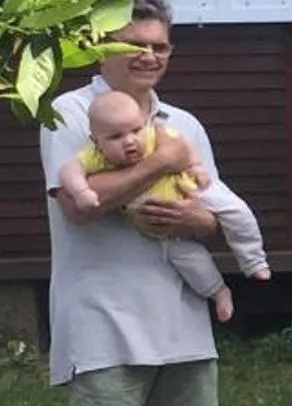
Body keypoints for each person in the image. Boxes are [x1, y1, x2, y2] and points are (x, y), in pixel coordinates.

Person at [40, 0, 238, 406]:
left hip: (181, 314)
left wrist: (196, 219)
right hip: (102, 316)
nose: (149, 56)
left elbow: (213, 214)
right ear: (103, 46)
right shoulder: (70, 113)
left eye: (160, 46)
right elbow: (80, 203)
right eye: (135, 44)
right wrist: (159, 163)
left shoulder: (185, 123)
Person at [56, 88, 269, 326]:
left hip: (188, 188)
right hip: (157, 233)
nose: (130, 141)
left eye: (135, 130)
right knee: (193, 261)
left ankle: (253, 260)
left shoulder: (154, 135)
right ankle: (219, 291)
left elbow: (183, 145)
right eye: (116, 137)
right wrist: (81, 192)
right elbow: (69, 171)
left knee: (237, 211)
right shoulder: (95, 156)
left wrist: (196, 167)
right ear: (96, 141)